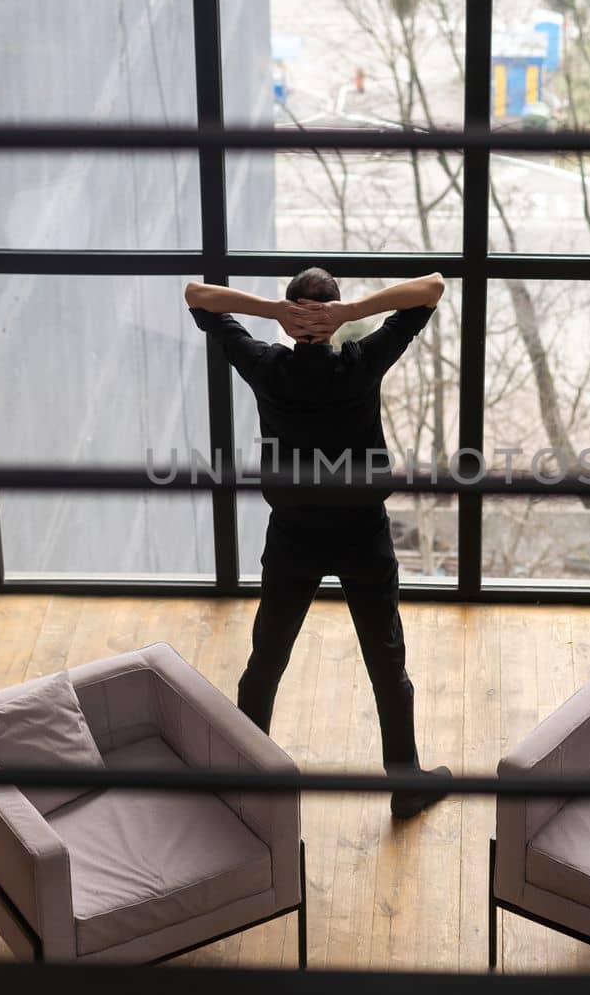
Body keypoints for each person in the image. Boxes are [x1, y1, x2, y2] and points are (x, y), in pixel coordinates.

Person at [185, 268, 452, 819]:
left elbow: (197, 296)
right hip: (362, 537)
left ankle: (248, 784)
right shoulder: (361, 363)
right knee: (388, 666)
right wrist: (351, 313)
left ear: (290, 321)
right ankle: (405, 786)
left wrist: (273, 311)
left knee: (266, 662)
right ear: (330, 321)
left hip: (293, 539)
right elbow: (432, 287)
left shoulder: (266, 365)